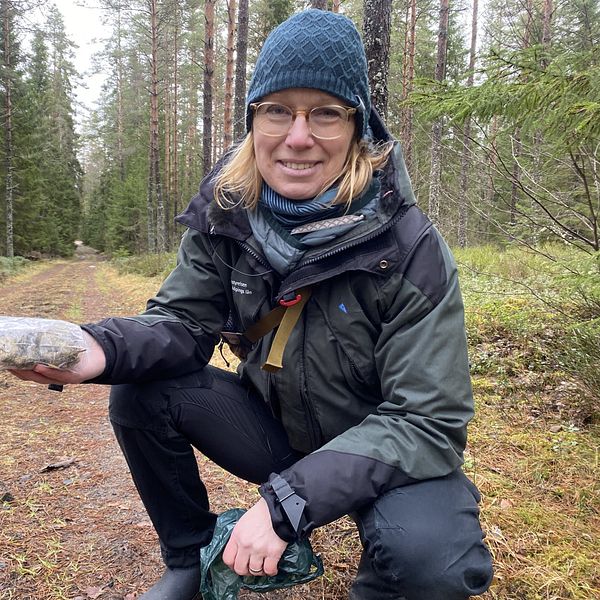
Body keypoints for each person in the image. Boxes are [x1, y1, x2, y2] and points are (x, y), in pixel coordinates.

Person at [11, 9, 494, 600]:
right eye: (277, 110)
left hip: (386, 450)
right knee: (143, 387)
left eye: (325, 113)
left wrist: (286, 504)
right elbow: (183, 324)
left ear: (358, 129)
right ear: (253, 123)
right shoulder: (228, 217)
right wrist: (96, 348)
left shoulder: (409, 246)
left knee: (431, 563)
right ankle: (189, 563)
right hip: (279, 432)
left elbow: (429, 420)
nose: (297, 136)